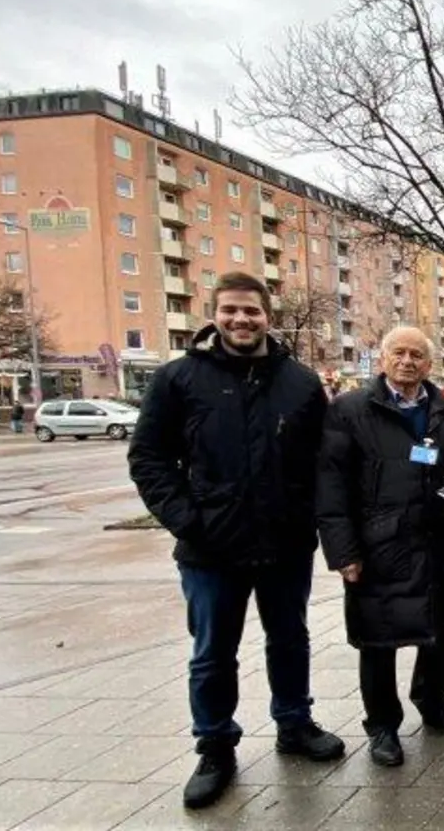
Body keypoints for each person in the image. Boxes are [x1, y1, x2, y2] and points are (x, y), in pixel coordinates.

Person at [128, 271, 344, 810]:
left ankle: (294, 722)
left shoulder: (299, 382)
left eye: (251, 310)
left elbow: (323, 460)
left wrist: (311, 519)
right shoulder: (179, 378)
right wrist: (187, 519)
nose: (241, 319)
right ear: (215, 315)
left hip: (284, 542)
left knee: (290, 639)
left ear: (267, 315)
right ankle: (215, 746)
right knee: (212, 653)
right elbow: (148, 458)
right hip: (210, 548)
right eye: (230, 310)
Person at [315, 326, 444, 769]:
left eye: (417, 355)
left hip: (441, 539)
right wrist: (343, 551)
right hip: (379, 545)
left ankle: (433, 702)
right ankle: (382, 725)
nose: (407, 362)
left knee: (442, 628)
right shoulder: (350, 410)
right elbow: (331, 484)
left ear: (429, 364)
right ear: (383, 358)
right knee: (378, 638)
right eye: (399, 353)